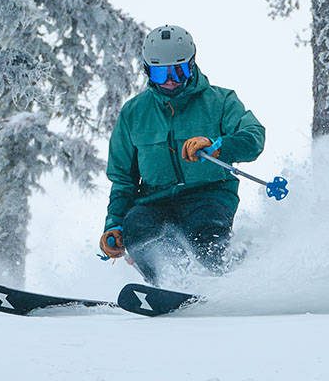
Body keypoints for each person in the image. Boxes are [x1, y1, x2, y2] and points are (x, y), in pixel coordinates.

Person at [98, 24, 265, 285]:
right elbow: (123, 180)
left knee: (206, 239)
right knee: (138, 228)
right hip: (154, 200)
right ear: (147, 71)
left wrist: (217, 144)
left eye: (179, 70)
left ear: (192, 65)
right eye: (160, 72)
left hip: (209, 194)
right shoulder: (134, 113)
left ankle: (245, 275)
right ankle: (169, 287)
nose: (170, 80)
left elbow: (253, 138)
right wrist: (114, 224)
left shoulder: (220, 101)